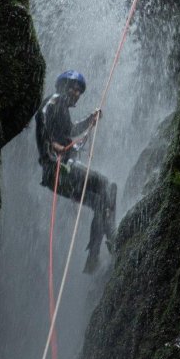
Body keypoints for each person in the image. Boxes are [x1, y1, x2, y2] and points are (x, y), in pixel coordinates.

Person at [35, 70, 117, 274]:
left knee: (101, 201)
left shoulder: (62, 110)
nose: (77, 93)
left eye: (80, 90)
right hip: (58, 169)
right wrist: (51, 144)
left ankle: (94, 257)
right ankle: (112, 239)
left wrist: (90, 120)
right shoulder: (53, 101)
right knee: (107, 186)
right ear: (62, 86)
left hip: (58, 174)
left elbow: (70, 132)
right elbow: (42, 116)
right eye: (73, 87)